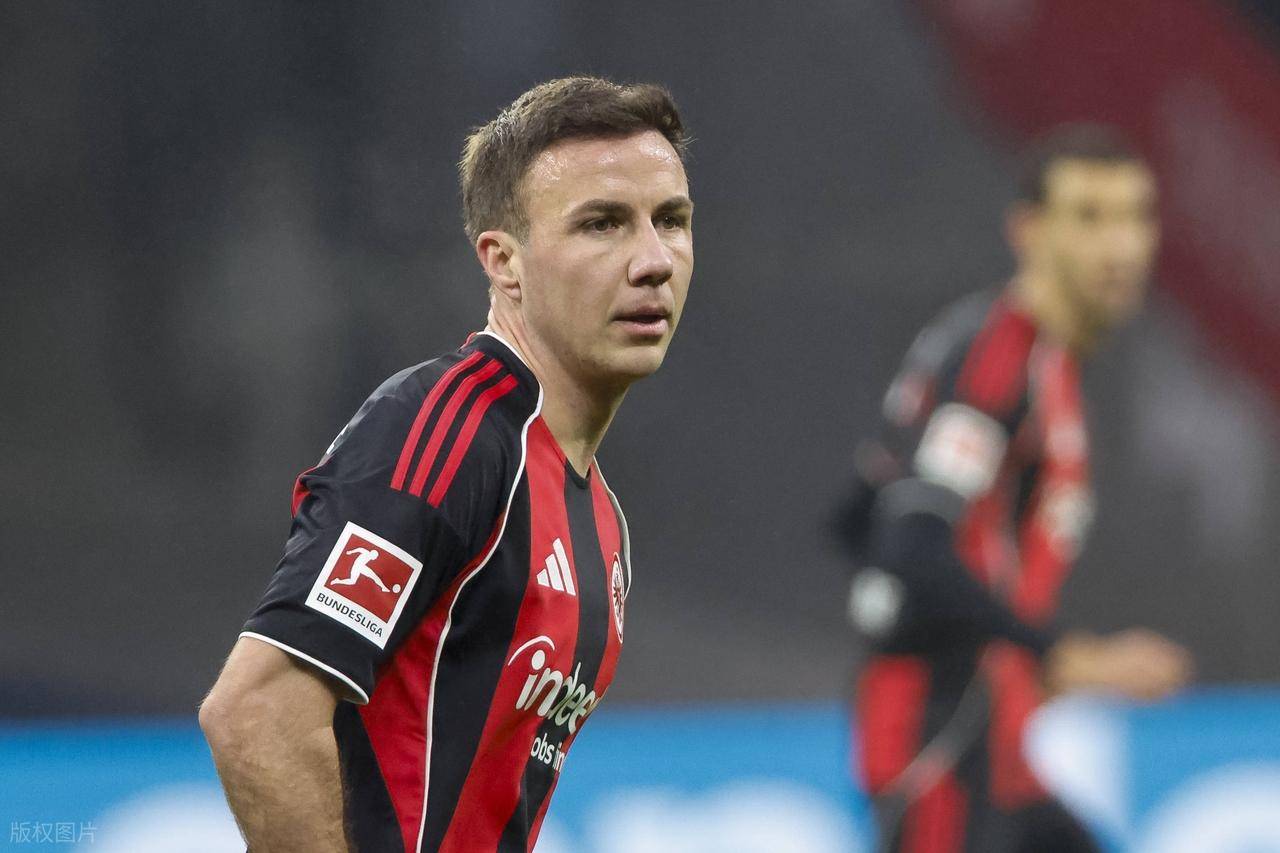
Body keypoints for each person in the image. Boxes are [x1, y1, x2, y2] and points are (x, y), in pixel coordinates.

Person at [199, 76, 694, 853]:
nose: (654, 260)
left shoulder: (601, 517)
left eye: (671, 220)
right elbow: (257, 711)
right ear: (504, 261)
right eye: (602, 224)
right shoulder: (446, 431)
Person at [838, 124, 1193, 853]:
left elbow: (858, 515)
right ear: (1027, 231)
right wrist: (1066, 654)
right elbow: (911, 543)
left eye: (1136, 216)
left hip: (996, 741)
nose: (1120, 246)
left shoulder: (1041, 363)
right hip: (940, 736)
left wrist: (1017, 657)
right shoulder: (1000, 354)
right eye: (1089, 216)